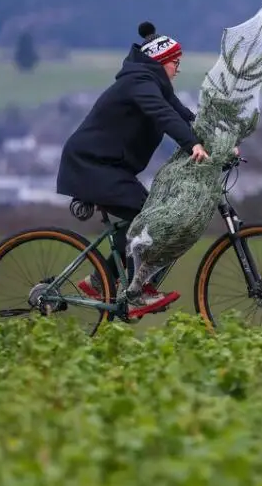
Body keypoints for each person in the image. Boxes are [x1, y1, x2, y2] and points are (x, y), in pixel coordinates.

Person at [56, 21, 210, 320]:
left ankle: (100, 281)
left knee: (143, 218)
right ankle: (136, 292)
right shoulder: (140, 83)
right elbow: (164, 115)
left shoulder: (152, 84)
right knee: (148, 218)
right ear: (162, 62)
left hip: (107, 168)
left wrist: (216, 142)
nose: (178, 69)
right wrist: (192, 144)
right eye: (176, 62)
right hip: (92, 166)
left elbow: (184, 115)